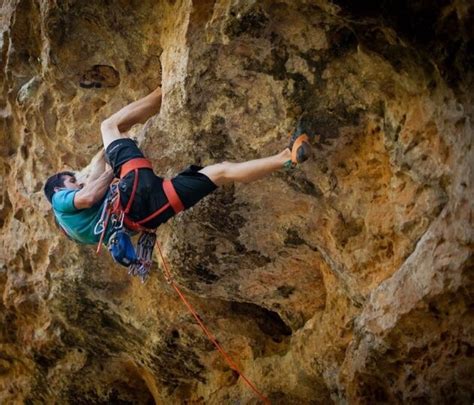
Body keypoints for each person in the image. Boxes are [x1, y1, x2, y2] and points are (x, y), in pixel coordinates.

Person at [43, 85, 314, 248]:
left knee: (220, 172)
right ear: (59, 187)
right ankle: (164, 90)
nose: (76, 184)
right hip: (131, 189)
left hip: (150, 215)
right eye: (72, 181)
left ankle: (286, 158)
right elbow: (89, 194)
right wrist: (114, 167)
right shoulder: (59, 200)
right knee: (108, 126)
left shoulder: (78, 233)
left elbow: (94, 192)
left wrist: (105, 157)